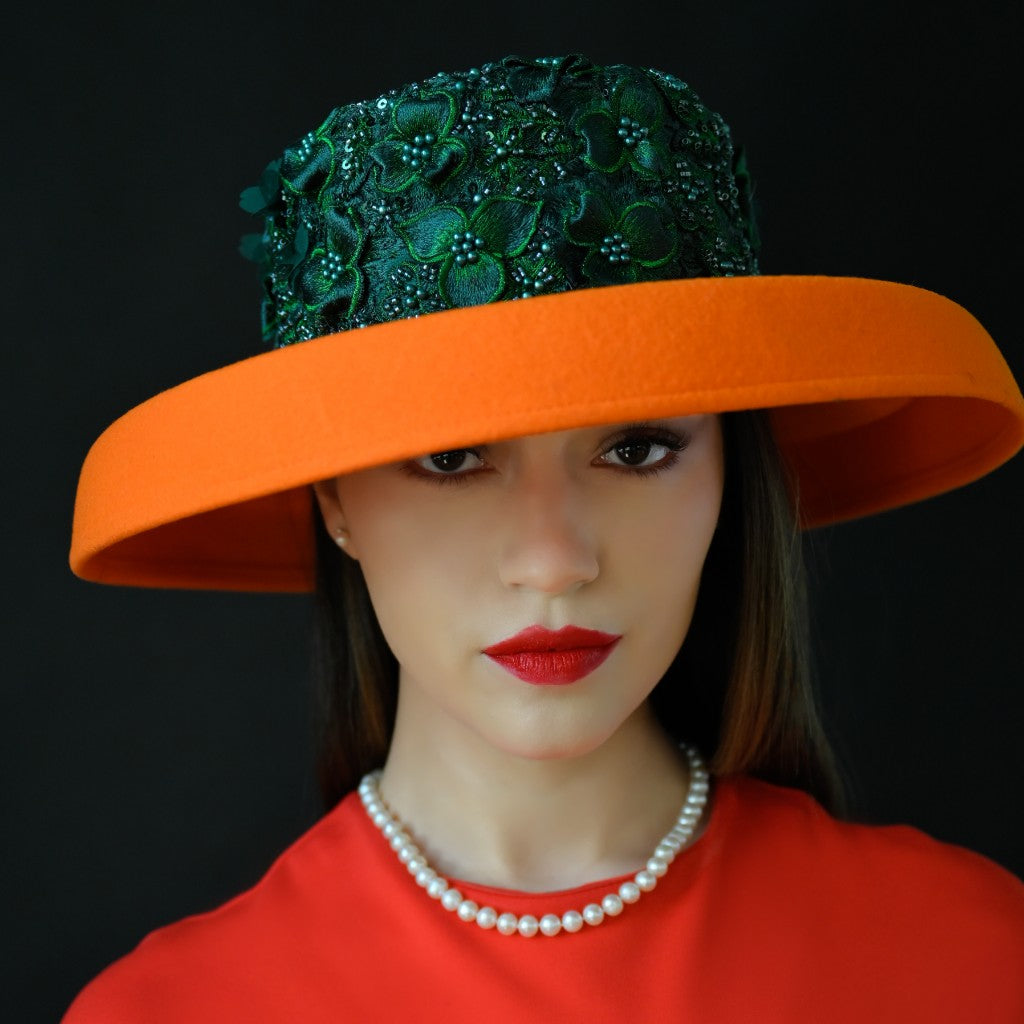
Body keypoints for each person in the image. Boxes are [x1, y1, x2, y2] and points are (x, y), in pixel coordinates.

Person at [63, 55, 1024, 1022]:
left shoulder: (976, 958)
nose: (555, 560)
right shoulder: (168, 1008)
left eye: (639, 448)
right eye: (450, 460)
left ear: (735, 472)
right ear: (334, 502)